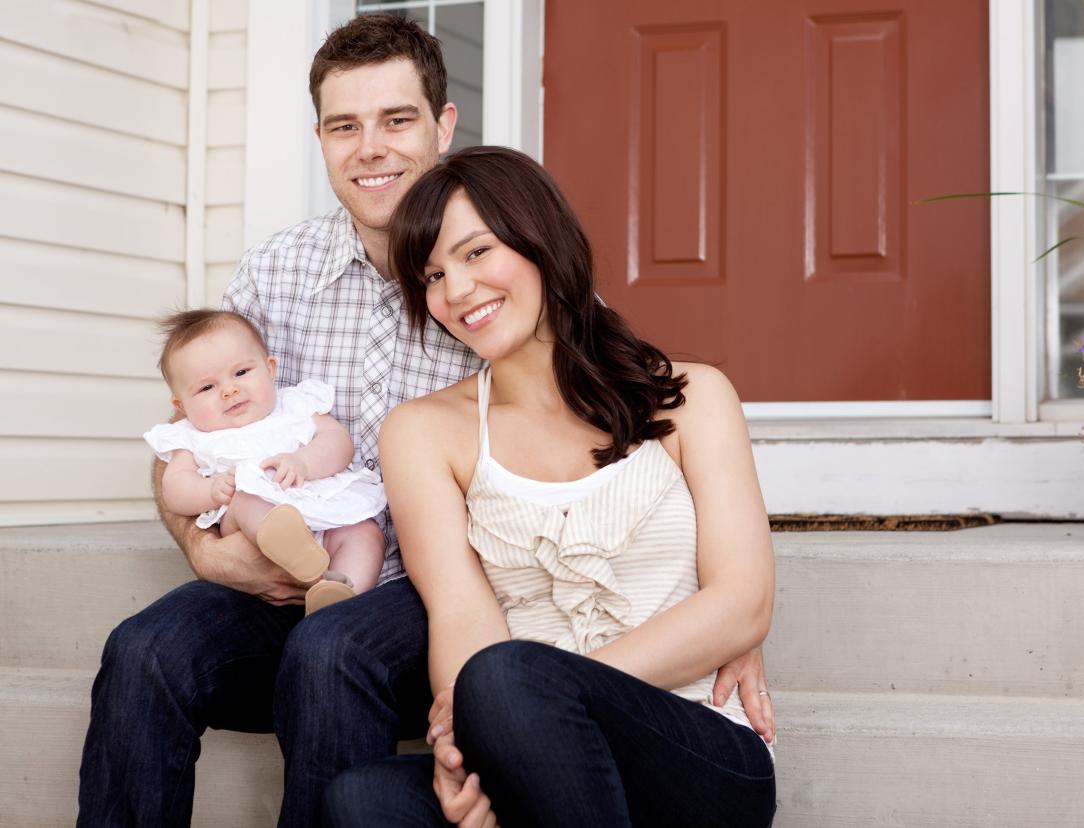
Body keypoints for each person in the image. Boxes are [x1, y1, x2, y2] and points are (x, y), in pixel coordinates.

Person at [77, 16, 479, 827]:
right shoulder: (275, 271)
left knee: (330, 651)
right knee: (144, 650)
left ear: (443, 126)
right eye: (344, 126)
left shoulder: (494, 270)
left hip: (432, 595)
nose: (370, 148)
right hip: (283, 572)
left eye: (397, 120)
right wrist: (204, 550)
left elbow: (620, 421)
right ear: (322, 139)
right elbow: (188, 439)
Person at [325, 146, 777, 827]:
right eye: (435, 276)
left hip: (696, 744)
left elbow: (742, 604)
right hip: (524, 744)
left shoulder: (691, 399)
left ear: (541, 238)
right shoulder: (422, 433)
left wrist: (540, 697)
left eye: (477, 253)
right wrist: (469, 755)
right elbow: (460, 619)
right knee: (359, 801)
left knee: (509, 677)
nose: (457, 292)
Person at [145, 309, 387, 614]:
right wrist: (209, 490)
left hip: (320, 506)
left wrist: (304, 463)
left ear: (269, 369)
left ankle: (341, 594)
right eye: (207, 387)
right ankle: (292, 549)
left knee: (365, 533)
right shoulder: (191, 437)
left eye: (242, 372)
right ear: (182, 405)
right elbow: (175, 488)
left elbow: (338, 442)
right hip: (255, 536)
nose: (229, 390)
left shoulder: (295, 406)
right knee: (247, 499)